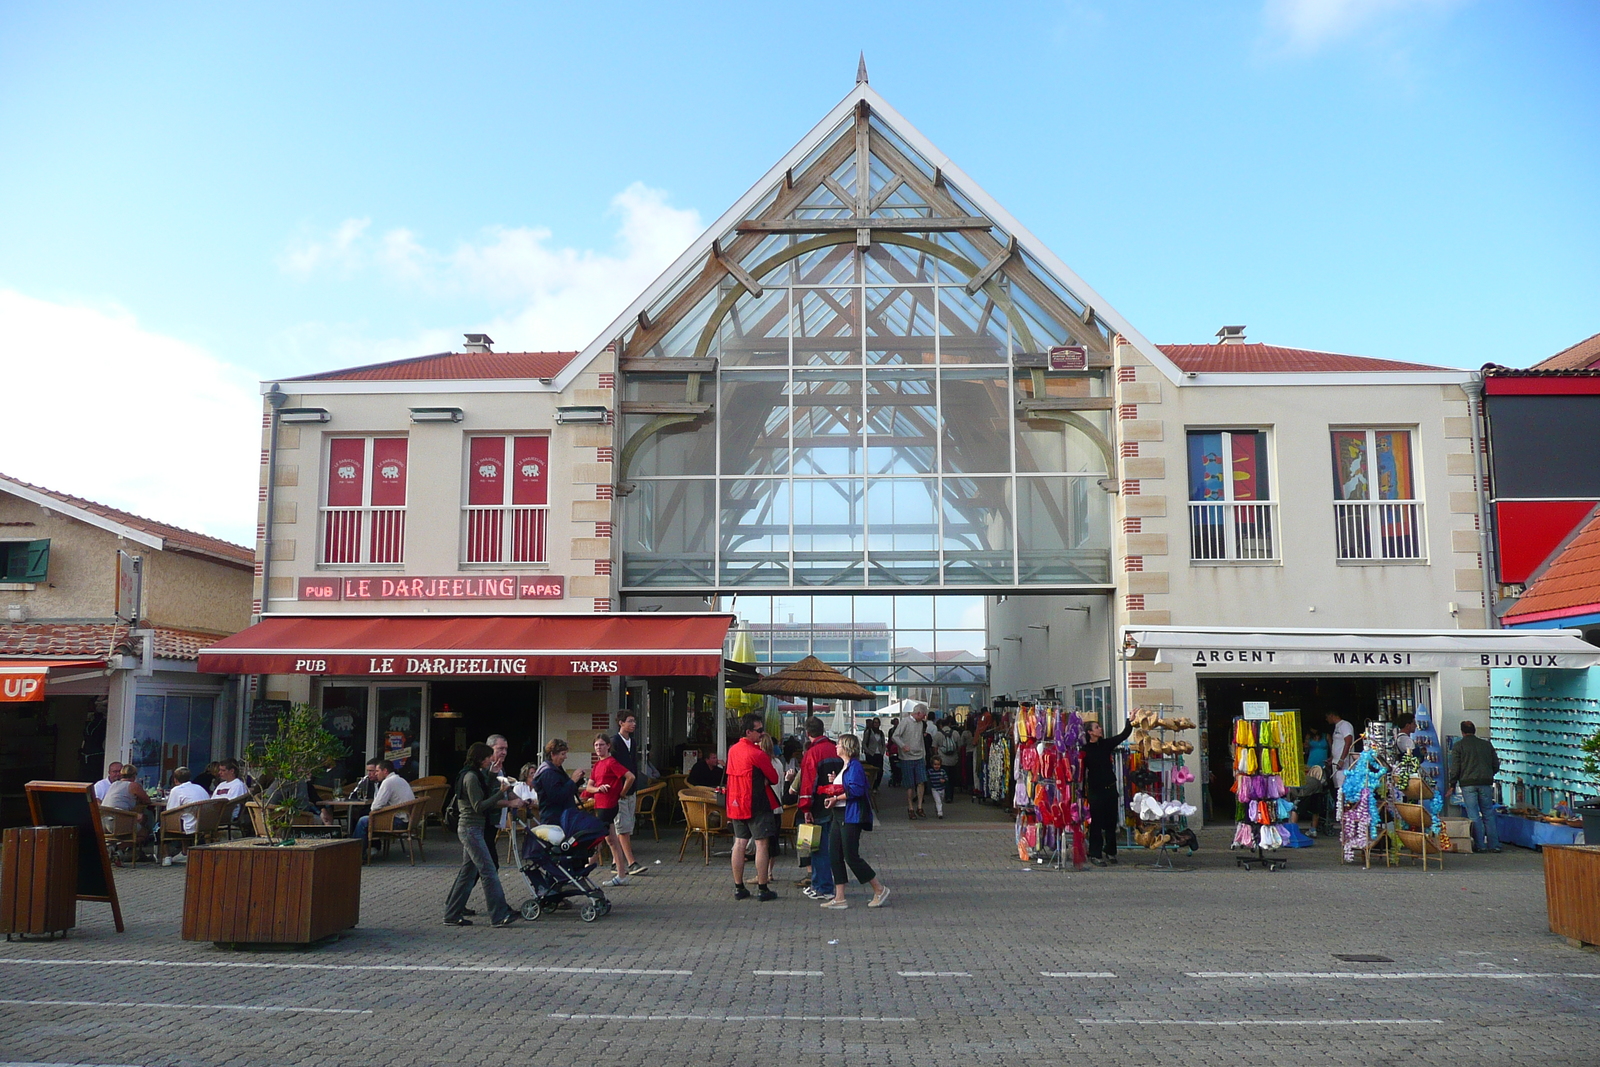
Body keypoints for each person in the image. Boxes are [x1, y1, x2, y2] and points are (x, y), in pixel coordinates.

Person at [443, 742, 526, 927]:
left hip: (474, 828)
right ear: (481, 758)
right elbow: (479, 805)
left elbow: (484, 789)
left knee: (468, 871)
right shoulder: (470, 777)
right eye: (488, 757)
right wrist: (501, 794)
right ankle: (498, 915)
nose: (491, 760)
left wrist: (492, 774)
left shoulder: (475, 774)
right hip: (470, 828)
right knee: (488, 871)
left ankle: (451, 913)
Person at [818, 733, 890, 910]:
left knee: (851, 856)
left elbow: (856, 791)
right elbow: (846, 787)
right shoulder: (845, 766)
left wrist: (836, 797)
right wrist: (833, 787)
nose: (836, 746)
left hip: (851, 815)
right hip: (839, 814)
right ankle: (840, 897)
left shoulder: (855, 766)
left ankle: (879, 888)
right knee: (834, 854)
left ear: (847, 747)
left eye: (839, 744)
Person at [725, 712, 779, 901]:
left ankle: (738, 887)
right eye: (759, 730)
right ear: (749, 732)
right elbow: (774, 778)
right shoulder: (757, 754)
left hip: (735, 802)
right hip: (756, 802)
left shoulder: (733, 750)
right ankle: (763, 888)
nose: (762, 734)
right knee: (761, 844)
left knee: (739, 843)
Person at [582, 735, 634, 888]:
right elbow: (589, 787)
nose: (599, 748)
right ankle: (621, 875)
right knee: (611, 840)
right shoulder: (597, 765)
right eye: (596, 745)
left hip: (608, 806)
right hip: (600, 805)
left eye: (602, 745)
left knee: (598, 839)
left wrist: (622, 793)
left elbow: (630, 777)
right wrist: (597, 789)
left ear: (608, 746)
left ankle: (583, 872)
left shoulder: (611, 762)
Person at [796, 716, 839, 900]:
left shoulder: (812, 753)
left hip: (819, 806)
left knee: (817, 848)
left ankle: (823, 887)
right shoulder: (835, 749)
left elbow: (808, 783)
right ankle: (822, 884)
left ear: (807, 733)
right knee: (829, 847)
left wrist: (806, 808)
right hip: (836, 803)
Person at [1082, 716, 1133, 866]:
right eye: (1097, 727)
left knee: (1111, 822)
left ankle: (1110, 851)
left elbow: (1123, 735)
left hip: (1110, 788)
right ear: (1090, 732)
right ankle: (1095, 853)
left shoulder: (1105, 744)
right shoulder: (1085, 750)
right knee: (1096, 823)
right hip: (1096, 790)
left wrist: (1130, 721)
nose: (1100, 729)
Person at [1449, 720, 1502, 853]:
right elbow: (1496, 763)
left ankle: (1480, 845)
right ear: (1474, 730)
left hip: (1468, 783)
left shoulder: (1458, 746)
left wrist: (1452, 784)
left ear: (1462, 732)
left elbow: (1455, 767)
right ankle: (1494, 844)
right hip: (1485, 782)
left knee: (1473, 815)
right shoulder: (1486, 745)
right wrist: (1490, 774)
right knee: (1488, 813)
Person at [608, 713, 647, 879]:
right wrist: (620, 790)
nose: (633, 724)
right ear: (620, 723)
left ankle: (616, 862)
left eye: (634, 721)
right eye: (630, 721)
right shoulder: (614, 742)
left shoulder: (633, 742)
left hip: (630, 789)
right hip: (619, 790)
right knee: (622, 827)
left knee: (627, 825)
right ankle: (631, 862)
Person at [354, 757, 414, 851]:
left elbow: (375, 807)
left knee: (363, 821)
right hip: (410, 820)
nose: (376, 773)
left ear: (385, 771)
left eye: (377, 771)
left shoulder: (388, 782)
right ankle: (370, 849)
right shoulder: (401, 779)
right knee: (366, 817)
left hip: (399, 822)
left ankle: (357, 854)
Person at [533, 739, 583, 826]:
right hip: (554, 819)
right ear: (552, 755)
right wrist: (573, 780)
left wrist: (578, 781)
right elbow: (557, 796)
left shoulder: (556, 769)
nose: (565, 757)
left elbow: (567, 789)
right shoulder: (548, 773)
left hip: (563, 817)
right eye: (562, 754)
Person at [892, 707, 930, 818]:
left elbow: (920, 740)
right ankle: (910, 808)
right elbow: (895, 736)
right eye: (923, 715)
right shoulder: (905, 722)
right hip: (907, 758)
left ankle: (919, 806)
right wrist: (903, 746)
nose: (924, 717)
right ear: (918, 713)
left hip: (919, 756)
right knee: (910, 784)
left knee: (921, 781)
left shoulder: (921, 724)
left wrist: (924, 755)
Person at [486, 733, 510, 869]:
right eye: (500, 749)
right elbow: (488, 798)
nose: (504, 752)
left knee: (474, 867)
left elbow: (507, 790)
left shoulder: (501, 768)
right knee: (490, 865)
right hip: (485, 822)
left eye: (505, 749)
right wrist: (510, 803)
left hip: (495, 822)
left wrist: (521, 800)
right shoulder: (485, 769)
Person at [1327, 711, 1355, 788]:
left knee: (1343, 787)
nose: (1326, 719)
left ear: (1331, 715)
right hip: (1336, 762)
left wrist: (1342, 759)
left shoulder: (1345, 725)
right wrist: (1332, 757)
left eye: (1327, 717)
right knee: (1338, 787)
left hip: (1344, 763)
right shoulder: (1337, 726)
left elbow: (1348, 741)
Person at [935, 723, 960, 802]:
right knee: (951, 778)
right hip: (953, 760)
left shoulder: (938, 734)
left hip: (943, 760)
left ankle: (944, 795)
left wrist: (936, 757)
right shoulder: (955, 733)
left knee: (944, 778)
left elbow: (934, 747)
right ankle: (950, 796)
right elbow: (959, 746)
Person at [861, 719, 886, 791]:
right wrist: (867, 751)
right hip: (871, 754)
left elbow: (883, 743)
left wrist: (882, 751)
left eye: (877, 723)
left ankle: (876, 785)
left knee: (880, 771)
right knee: (871, 771)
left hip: (879, 754)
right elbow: (864, 743)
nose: (876, 724)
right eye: (874, 722)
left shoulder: (881, 733)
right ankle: (871, 785)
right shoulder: (868, 732)